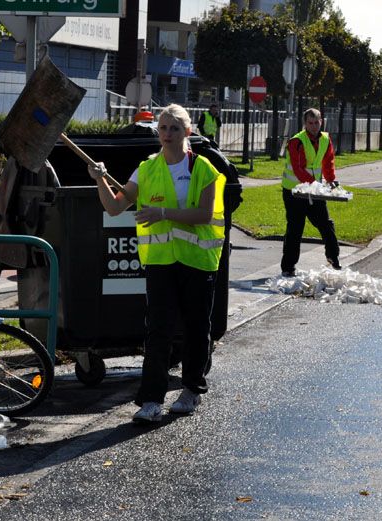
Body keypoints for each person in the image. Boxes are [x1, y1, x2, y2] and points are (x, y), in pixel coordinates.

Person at [88, 104, 226, 423]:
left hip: (198, 260)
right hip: (162, 262)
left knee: (195, 328)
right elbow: (114, 207)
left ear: (187, 132)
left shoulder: (203, 168)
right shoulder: (147, 168)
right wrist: (99, 179)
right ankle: (150, 400)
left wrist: (162, 213)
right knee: (158, 331)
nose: (166, 134)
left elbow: (204, 215)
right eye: (163, 128)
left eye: (174, 128)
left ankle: (191, 389)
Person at [280, 108, 341, 276]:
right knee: (295, 228)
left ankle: (333, 258)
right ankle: (288, 267)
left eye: (317, 122)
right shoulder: (296, 141)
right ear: (304, 124)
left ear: (321, 122)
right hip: (294, 192)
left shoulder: (325, 139)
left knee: (325, 224)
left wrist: (330, 181)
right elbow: (299, 169)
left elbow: (328, 162)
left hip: (314, 191)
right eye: (310, 123)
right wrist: (316, 184)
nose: (314, 126)